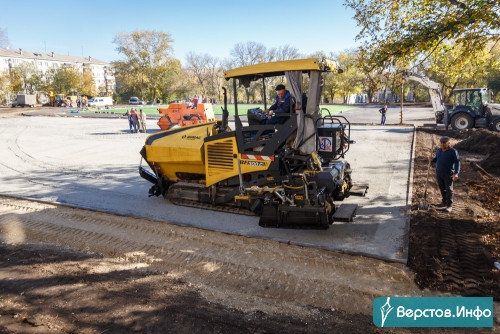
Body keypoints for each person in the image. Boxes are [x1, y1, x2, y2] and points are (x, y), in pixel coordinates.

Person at [429, 136, 461, 213]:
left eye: (444, 143)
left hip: (448, 173)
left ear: (448, 143)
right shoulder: (438, 151)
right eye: (441, 143)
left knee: (449, 189)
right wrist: (432, 160)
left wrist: (456, 173)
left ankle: (449, 206)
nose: (443, 144)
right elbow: (436, 159)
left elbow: (457, 162)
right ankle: (444, 202)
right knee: (441, 188)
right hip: (439, 172)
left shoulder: (453, 151)